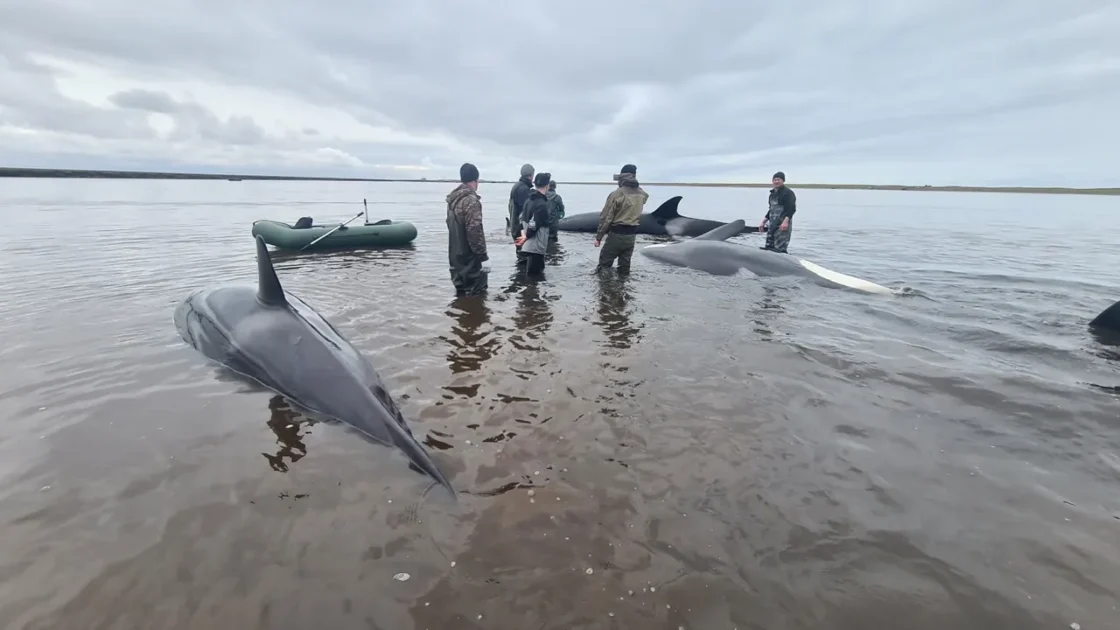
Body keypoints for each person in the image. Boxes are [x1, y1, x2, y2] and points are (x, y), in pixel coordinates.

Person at [446, 162, 491, 296]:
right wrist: (484, 257)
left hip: (456, 261)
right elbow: (474, 231)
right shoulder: (471, 201)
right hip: (471, 264)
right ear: (476, 180)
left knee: (461, 300)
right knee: (477, 301)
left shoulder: (452, 201)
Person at [594, 163, 648, 275]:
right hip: (631, 237)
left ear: (622, 177)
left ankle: (605, 290)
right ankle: (623, 290)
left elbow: (606, 217)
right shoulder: (642, 194)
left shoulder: (616, 194)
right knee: (624, 268)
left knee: (604, 265)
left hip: (616, 235)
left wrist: (599, 237)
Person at [515, 172, 553, 276]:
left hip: (529, 246)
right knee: (535, 278)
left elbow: (521, 218)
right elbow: (534, 224)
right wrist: (526, 237)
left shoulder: (529, 200)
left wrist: (523, 235)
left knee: (532, 276)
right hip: (536, 247)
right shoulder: (542, 204)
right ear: (547, 186)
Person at [759, 171, 796, 253]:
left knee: (780, 249)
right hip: (772, 224)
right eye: (775, 180)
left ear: (783, 181)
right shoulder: (772, 194)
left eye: (778, 179)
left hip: (782, 224)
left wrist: (785, 222)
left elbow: (791, 209)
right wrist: (763, 222)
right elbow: (771, 209)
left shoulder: (788, 193)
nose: (776, 181)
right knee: (769, 247)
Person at [508, 163, 534, 265]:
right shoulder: (524, 189)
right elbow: (524, 213)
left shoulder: (516, 186)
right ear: (530, 175)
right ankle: (523, 279)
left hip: (515, 227)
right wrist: (525, 232)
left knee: (521, 255)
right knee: (525, 259)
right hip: (520, 230)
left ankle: (519, 279)